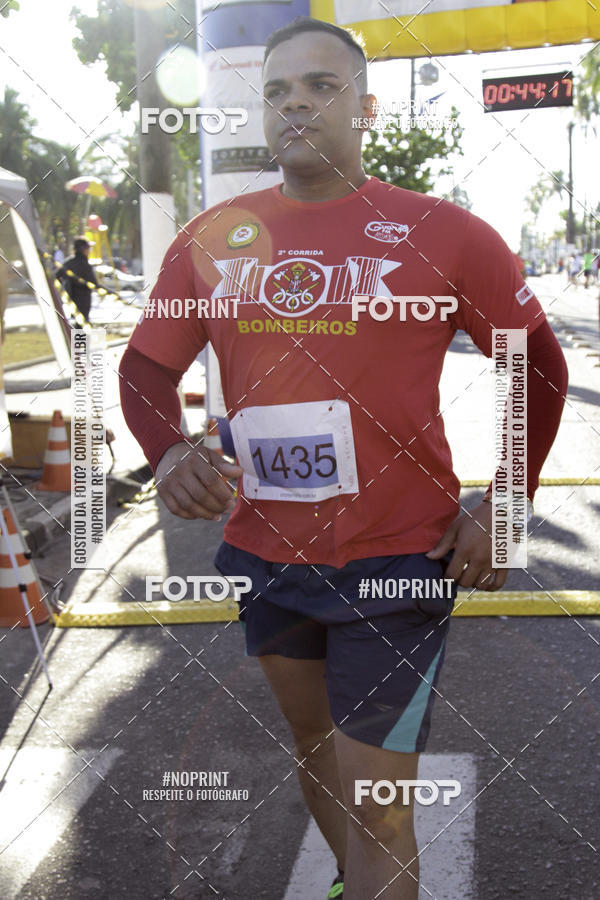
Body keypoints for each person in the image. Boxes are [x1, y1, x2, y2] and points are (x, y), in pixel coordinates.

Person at [120, 16, 567, 899]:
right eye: (277, 91)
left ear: (365, 109)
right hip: (265, 556)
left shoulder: (445, 232)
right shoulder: (213, 238)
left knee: (382, 809)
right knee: (317, 749)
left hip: (397, 561)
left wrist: (505, 504)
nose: (296, 105)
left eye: (321, 87)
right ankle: (346, 882)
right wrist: (166, 450)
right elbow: (143, 370)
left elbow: (538, 369)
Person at [55, 236, 97, 323]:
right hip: (84, 301)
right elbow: (94, 283)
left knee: (77, 325)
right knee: (81, 325)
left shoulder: (69, 263)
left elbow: (57, 276)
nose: (89, 251)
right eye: (88, 248)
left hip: (71, 300)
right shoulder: (85, 265)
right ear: (83, 249)